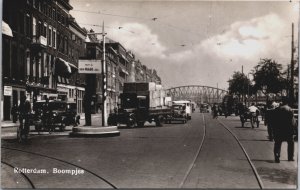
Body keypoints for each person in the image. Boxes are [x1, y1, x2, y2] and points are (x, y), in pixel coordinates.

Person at [272, 97, 296, 163]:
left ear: (282, 102)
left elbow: (274, 121)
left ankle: (277, 155)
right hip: (288, 130)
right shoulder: (290, 109)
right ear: (287, 102)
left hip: (279, 129)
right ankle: (290, 157)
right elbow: (293, 121)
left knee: (277, 143)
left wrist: (273, 130)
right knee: (291, 143)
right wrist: (294, 130)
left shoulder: (277, 109)